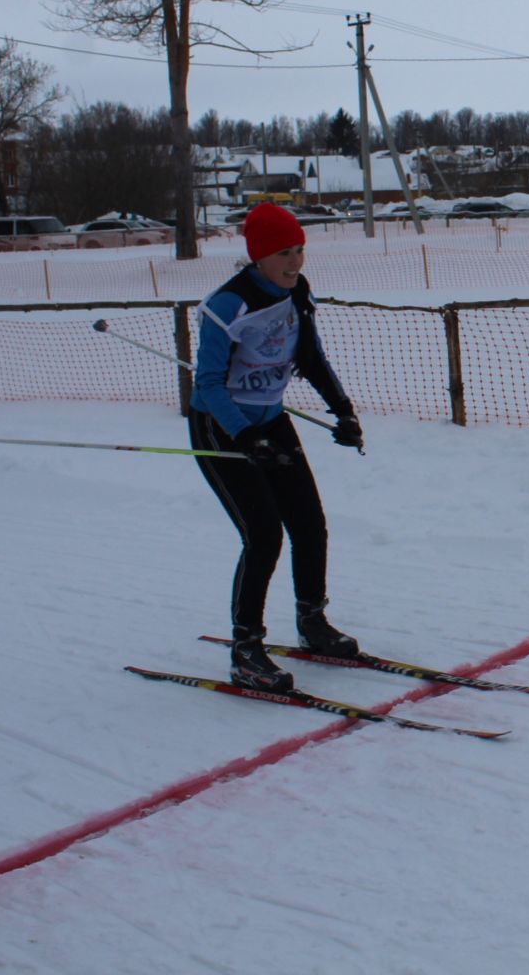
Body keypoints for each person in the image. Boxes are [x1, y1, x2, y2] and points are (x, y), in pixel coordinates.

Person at [189, 203, 366, 692]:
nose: (295, 262)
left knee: (309, 524)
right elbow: (207, 386)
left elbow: (309, 355)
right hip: (221, 427)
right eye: (284, 253)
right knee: (264, 535)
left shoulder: (296, 293)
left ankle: (312, 621)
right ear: (259, 256)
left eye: (299, 251)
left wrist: (343, 410)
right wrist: (245, 438)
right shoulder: (227, 305)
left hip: (271, 420)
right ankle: (247, 648)